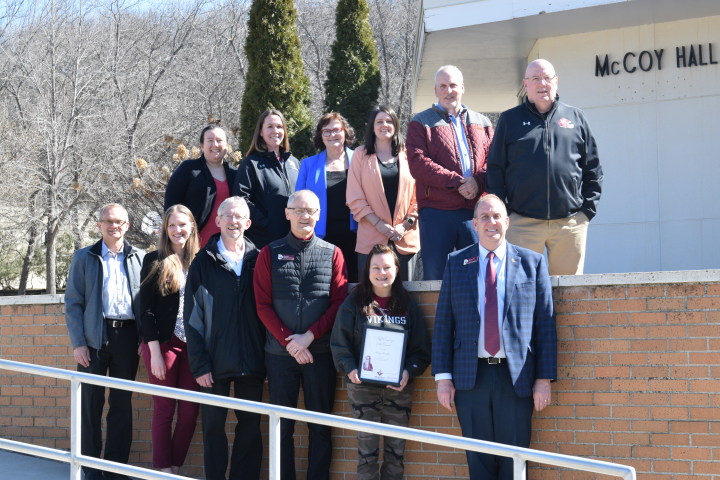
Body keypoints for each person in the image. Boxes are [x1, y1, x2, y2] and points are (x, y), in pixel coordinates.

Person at [432, 194, 557, 480]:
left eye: (497, 216)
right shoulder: (456, 262)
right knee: (479, 464)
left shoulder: (532, 263)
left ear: (507, 222)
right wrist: (443, 378)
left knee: (515, 462)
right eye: (485, 217)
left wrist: (543, 379)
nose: (492, 222)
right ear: (474, 224)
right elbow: (443, 324)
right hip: (469, 378)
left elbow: (545, 326)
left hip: (516, 379)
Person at [253, 189, 348, 480]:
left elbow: (339, 303)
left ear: (319, 215)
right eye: (299, 210)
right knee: (282, 427)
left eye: (311, 211)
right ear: (287, 213)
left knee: (320, 427)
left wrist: (309, 337)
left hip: (319, 355)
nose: (305, 216)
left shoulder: (333, 253)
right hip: (280, 357)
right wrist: (289, 342)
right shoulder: (268, 254)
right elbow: (262, 305)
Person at [486, 59, 603, 275]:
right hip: (522, 223)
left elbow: (593, 167)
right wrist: (506, 212)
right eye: (535, 78)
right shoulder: (509, 120)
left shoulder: (576, 118)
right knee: (522, 291)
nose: (542, 83)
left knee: (569, 294)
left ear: (556, 82)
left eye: (547, 78)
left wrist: (586, 212)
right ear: (526, 84)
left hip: (570, 224)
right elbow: (494, 168)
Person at [331, 243, 430, 480]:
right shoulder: (353, 304)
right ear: (367, 271)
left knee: (396, 453)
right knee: (367, 454)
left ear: (396, 270)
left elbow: (421, 350)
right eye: (376, 267)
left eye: (387, 267)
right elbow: (340, 345)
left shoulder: (407, 305)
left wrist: (408, 372)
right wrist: (351, 368)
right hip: (362, 390)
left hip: (399, 391)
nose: (381, 272)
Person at [184, 196, 266, 480]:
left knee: (250, 429)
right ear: (217, 221)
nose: (233, 221)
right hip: (213, 362)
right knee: (213, 428)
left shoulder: (260, 260)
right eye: (227, 216)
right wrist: (199, 364)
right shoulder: (202, 263)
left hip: (252, 360)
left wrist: (266, 359)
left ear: (248, 223)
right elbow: (191, 319)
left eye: (239, 217)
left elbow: (269, 312)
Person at [64, 203, 145, 480]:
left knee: (121, 405)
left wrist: (143, 338)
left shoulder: (139, 258)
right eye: (108, 221)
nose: (114, 226)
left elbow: (146, 304)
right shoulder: (84, 257)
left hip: (128, 338)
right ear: (99, 225)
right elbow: (73, 303)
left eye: (119, 221)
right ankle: (89, 469)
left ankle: (114, 471)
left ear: (127, 226)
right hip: (94, 340)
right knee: (90, 404)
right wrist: (78, 343)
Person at [406, 65, 494, 280]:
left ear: (462, 88)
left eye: (453, 85)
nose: (449, 90)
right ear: (436, 91)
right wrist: (458, 182)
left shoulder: (483, 123)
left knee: (477, 276)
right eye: (443, 86)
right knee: (436, 278)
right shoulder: (420, 123)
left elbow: (494, 162)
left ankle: (476, 316)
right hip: (437, 212)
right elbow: (418, 163)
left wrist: (478, 182)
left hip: (474, 211)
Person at [139, 205, 200, 474]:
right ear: (165, 229)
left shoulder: (202, 261)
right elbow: (145, 309)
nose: (178, 230)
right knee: (164, 410)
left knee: (189, 413)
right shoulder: (154, 260)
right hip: (163, 344)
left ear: (192, 227)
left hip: (194, 347)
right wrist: (154, 352)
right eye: (172, 225)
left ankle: (175, 467)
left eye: (182, 224)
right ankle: (162, 471)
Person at [347, 106, 420, 281]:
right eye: (379, 121)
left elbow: (419, 195)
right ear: (372, 126)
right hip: (371, 238)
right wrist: (378, 224)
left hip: (405, 238)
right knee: (370, 296)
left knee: (405, 296)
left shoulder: (409, 153)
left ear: (395, 125)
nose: (384, 125)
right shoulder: (360, 155)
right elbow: (354, 197)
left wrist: (406, 224)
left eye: (389, 121)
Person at [296, 112, 359, 281]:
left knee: (356, 284)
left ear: (345, 132)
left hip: (357, 235)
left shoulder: (361, 159)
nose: (332, 135)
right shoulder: (308, 165)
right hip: (321, 237)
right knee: (325, 284)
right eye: (326, 131)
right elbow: (298, 202)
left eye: (337, 129)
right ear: (321, 136)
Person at [232, 109, 300, 249]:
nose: (275, 131)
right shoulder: (251, 163)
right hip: (263, 241)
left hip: (293, 238)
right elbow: (240, 199)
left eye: (279, 127)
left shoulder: (294, 162)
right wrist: (264, 223)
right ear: (261, 132)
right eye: (269, 127)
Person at [164, 123, 237, 247]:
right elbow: (170, 208)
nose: (215, 144)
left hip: (228, 247)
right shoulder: (188, 169)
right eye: (210, 140)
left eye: (219, 140)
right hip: (194, 248)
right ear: (202, 146)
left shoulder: (235, 174)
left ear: (227, 145)